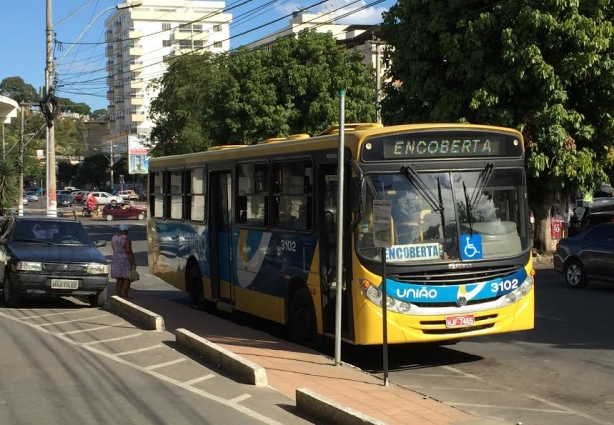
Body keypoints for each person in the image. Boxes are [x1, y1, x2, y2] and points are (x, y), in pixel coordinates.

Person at [110, 223, 136, 299]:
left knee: (119, 278)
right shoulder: (126, 238)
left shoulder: (114, 237)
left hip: (116, 258)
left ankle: (118, 294)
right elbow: (128, 251)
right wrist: (133, 262)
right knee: (127, 277)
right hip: (124, 259)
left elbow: (113, 248)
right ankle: (124, 294)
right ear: (126, 231)